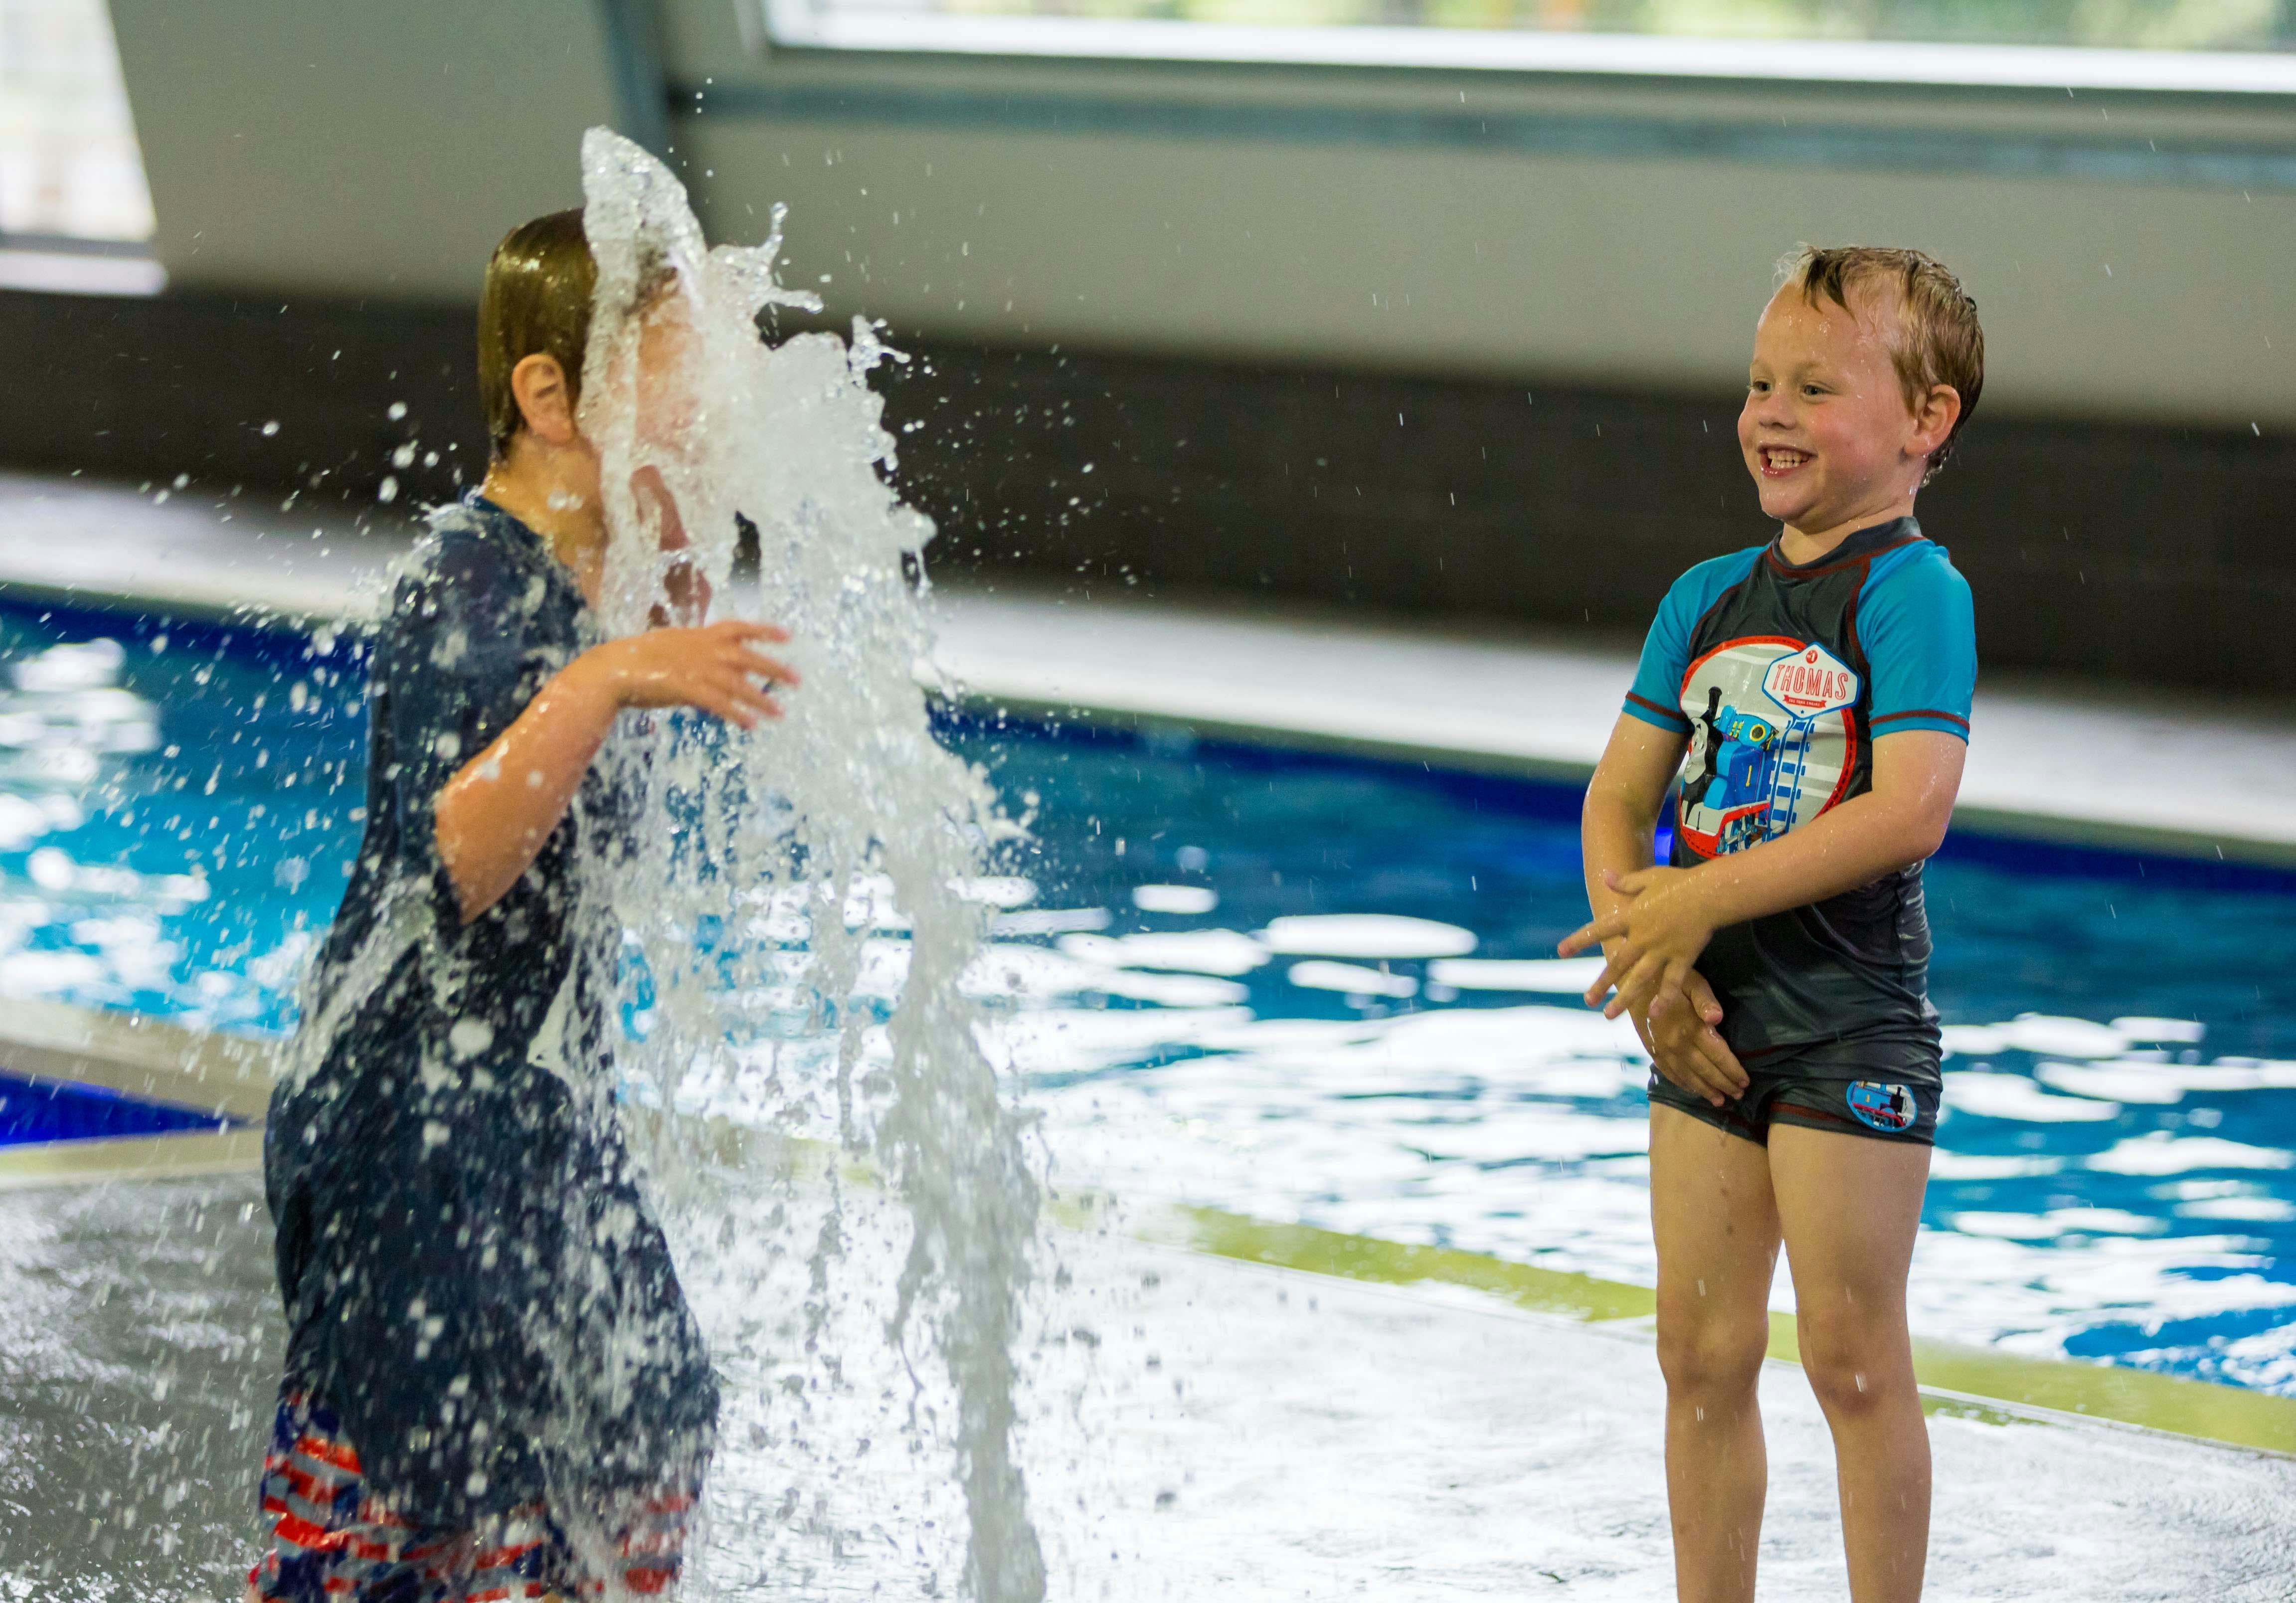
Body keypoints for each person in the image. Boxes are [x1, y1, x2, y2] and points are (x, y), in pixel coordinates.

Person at [250, 210, 797, 1602]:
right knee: (435, 1502)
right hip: (401, 1116)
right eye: (678, 376)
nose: (709, 408)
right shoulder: (463, 582)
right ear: (550, 399)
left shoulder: (599, 584)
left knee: (650, 1424)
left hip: (526, 1110)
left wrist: (674, 568)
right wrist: (607, 678)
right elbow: (462, 852)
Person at [1560, 245, 1981, 1603]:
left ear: (1927, 423)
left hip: (1848, 1021)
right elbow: (1620, 797)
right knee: (1699, 1354)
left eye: (1815, 385)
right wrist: (1651, 970)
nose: (1770, 413)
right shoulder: (1704, 597)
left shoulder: (1914, 595)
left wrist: (1695, 903)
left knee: (1851, 1361)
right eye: (1758, 384)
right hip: (1705, 1024)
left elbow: (1908, 811)